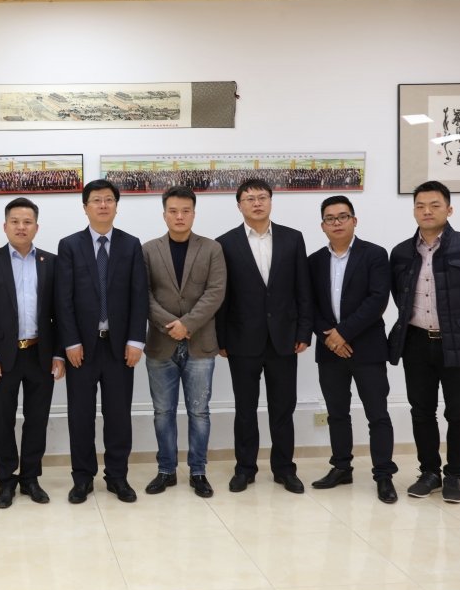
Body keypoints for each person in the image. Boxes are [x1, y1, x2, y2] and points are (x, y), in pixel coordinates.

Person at [388, 180, 460, 503]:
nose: (427, 211)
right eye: (420, 206)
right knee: (421, 411)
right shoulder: (401, 252)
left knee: (459, 411)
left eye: (434, 205)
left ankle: (454, 475)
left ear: (449, 209)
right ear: (414, 211)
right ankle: (429, 472)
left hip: (458, 344)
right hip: (415, 342)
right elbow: (400, 296)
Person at [215, 179, 313, 494]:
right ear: (239, 205)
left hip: (284, 338)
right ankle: (245, 469)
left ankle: (284, 469)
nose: (256, 203)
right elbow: (222, 296)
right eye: (249, 199)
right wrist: (221, 339)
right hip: (242, 339)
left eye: (262, 197)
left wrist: (304, 331)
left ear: (271, 201)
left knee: (283, 408)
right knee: (245, 409)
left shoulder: (292, 238)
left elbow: (303, 288)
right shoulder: (225, 243)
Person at [55, 179, 147, 504]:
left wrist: (136, 340)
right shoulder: (69, 245)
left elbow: (139, 295)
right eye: (96, 200)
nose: (103, 205)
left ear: (116, 206)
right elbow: (63, 299)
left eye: (109, 199)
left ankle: (117, 477)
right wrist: (70, 342)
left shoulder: (131, 245)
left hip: (119, 347)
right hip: (82, 347)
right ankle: (82, 478)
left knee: (118, 415)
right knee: (80, 416)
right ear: (86, 207)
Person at [0, 197, 64, 508]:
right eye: (15, 221)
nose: (21, 227)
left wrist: (59, 354)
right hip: (2, 358)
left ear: (36, 227)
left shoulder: (51, 262)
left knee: (37, 420)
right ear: (5, 226)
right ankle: (6, 481)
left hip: (41, 354)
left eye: (27, 222)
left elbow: (60, 312)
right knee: (3, 421)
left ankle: (30, 478)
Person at [307, 196, 398, 504]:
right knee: (336, 413)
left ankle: (383, 475)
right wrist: (330, 338)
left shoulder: (374, 254)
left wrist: (343, 333)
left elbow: (377, 300)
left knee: (377, 414)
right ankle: (341, 468)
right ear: (322, 226)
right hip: (329, 351)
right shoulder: (314, 261)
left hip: (368, 349)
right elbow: (309, 305)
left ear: (354, 220)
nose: (337, 222)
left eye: (343, 216)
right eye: (330, 218)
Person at [142, 186, 225, 498]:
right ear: (164, 214)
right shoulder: (148, 250)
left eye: (185, 211)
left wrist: (187, 324)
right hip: (160, 344)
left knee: (199, 411)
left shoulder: (212, 249)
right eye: (173, 211)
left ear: (193, 213)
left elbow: (215, 292)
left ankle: (198, 471)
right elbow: (144, 294)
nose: (179, 216)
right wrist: (171, 326)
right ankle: (166, 470)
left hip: (200, 343)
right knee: (163, 411)